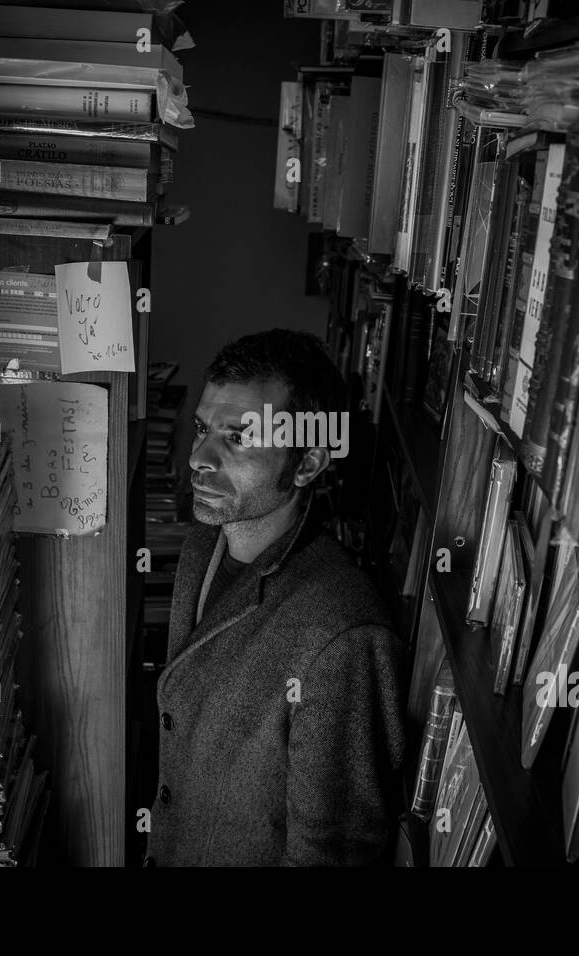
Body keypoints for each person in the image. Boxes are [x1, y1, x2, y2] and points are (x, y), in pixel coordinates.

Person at [144, 329, 405, 866]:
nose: (197, 457)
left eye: (238, 438)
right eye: (201, 429)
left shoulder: (342, 635)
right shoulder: (203, 545)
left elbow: (329, 856)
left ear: (307, 464)